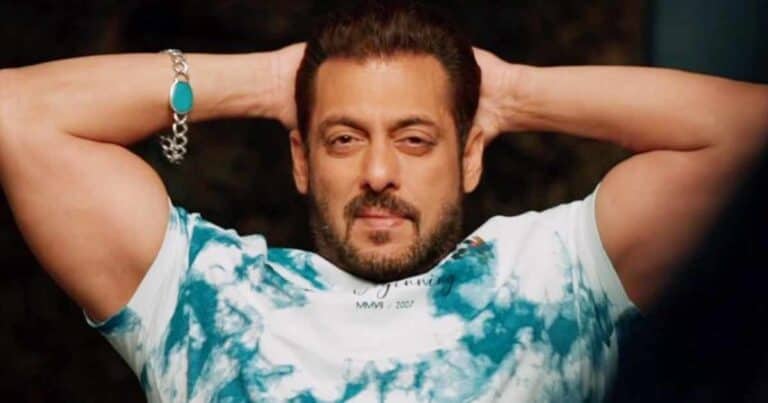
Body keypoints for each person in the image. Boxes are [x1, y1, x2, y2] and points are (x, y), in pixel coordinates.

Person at [0, 2, 765, 402]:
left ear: (470, 155)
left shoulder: (563, 271)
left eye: (414, 138)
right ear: (301, 159)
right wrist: (266, 82)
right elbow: (17, 115)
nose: (376, 171)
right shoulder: (206, 295)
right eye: (342, 138)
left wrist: (513, 94)